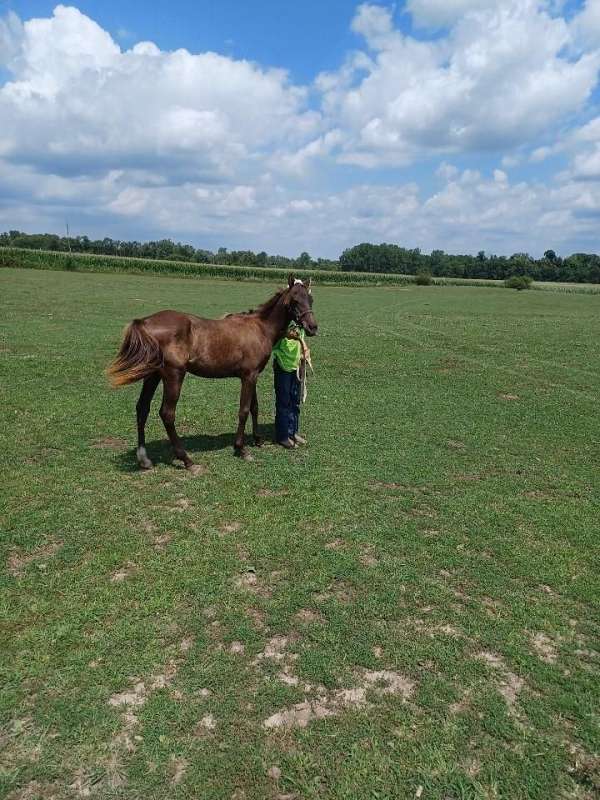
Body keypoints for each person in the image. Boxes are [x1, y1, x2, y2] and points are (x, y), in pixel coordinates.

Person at [272, 320, 309, 448]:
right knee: (284, 402)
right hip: (283, 368)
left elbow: (305, 335)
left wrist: (304, 353)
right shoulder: (282, 323)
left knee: (295, 400)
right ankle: (283, 436)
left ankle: (293, 432)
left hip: (296, 367)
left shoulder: (300, 324)